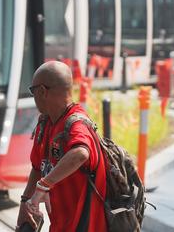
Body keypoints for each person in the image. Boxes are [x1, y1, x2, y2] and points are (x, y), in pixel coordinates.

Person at [17, 61, 107, 232]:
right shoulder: (46, 123)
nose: (33, 96)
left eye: (33, 91)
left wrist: (43, 186)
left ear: (42, 91)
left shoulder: (76, 124)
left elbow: (81, 153)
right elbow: (37, 168)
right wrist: (24, 202)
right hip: (60, 226)